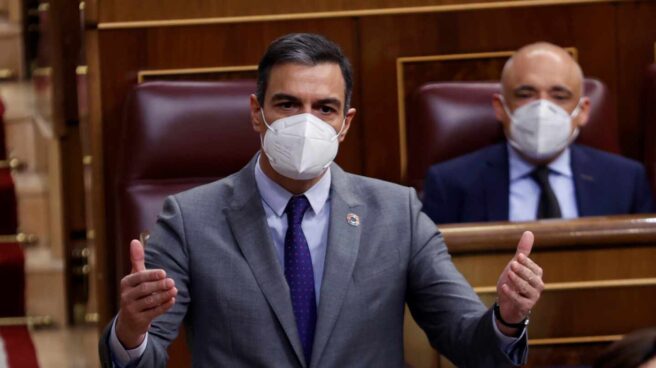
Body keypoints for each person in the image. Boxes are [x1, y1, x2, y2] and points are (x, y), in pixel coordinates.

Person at [99, 33, 544, 367]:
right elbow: (142, 357)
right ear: (257, 113)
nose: (306, 121)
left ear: (345, 123)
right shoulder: (190, 219)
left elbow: (467, 342)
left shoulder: (397, 214)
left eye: (325, 108)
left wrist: (505, 319)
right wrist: (132, 331)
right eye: (287, 104)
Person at [422, 42, 654, 224]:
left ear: (582, 111)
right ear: (500, 108)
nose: (542, 107)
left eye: (559, 96)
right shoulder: (450, 184)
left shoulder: (626, 181)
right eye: (525, 94)